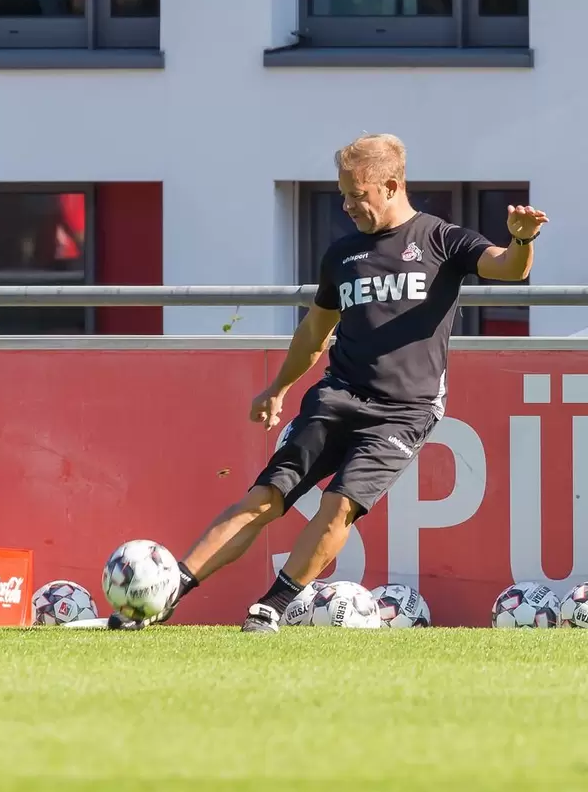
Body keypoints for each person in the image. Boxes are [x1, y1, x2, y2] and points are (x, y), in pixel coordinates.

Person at [108, 133, 548, 633]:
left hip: (405, 410)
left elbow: (507, 268)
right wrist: (277, 388)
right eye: (342, 193)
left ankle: (270, 606)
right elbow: (315, 333)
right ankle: (168, 593)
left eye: (357, 194)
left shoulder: (441, 239)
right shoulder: (341, 256)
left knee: (340, 505)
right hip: (336, 397)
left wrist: (522, 239)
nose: (346, 205)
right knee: (264, 499)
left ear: (391, 185)